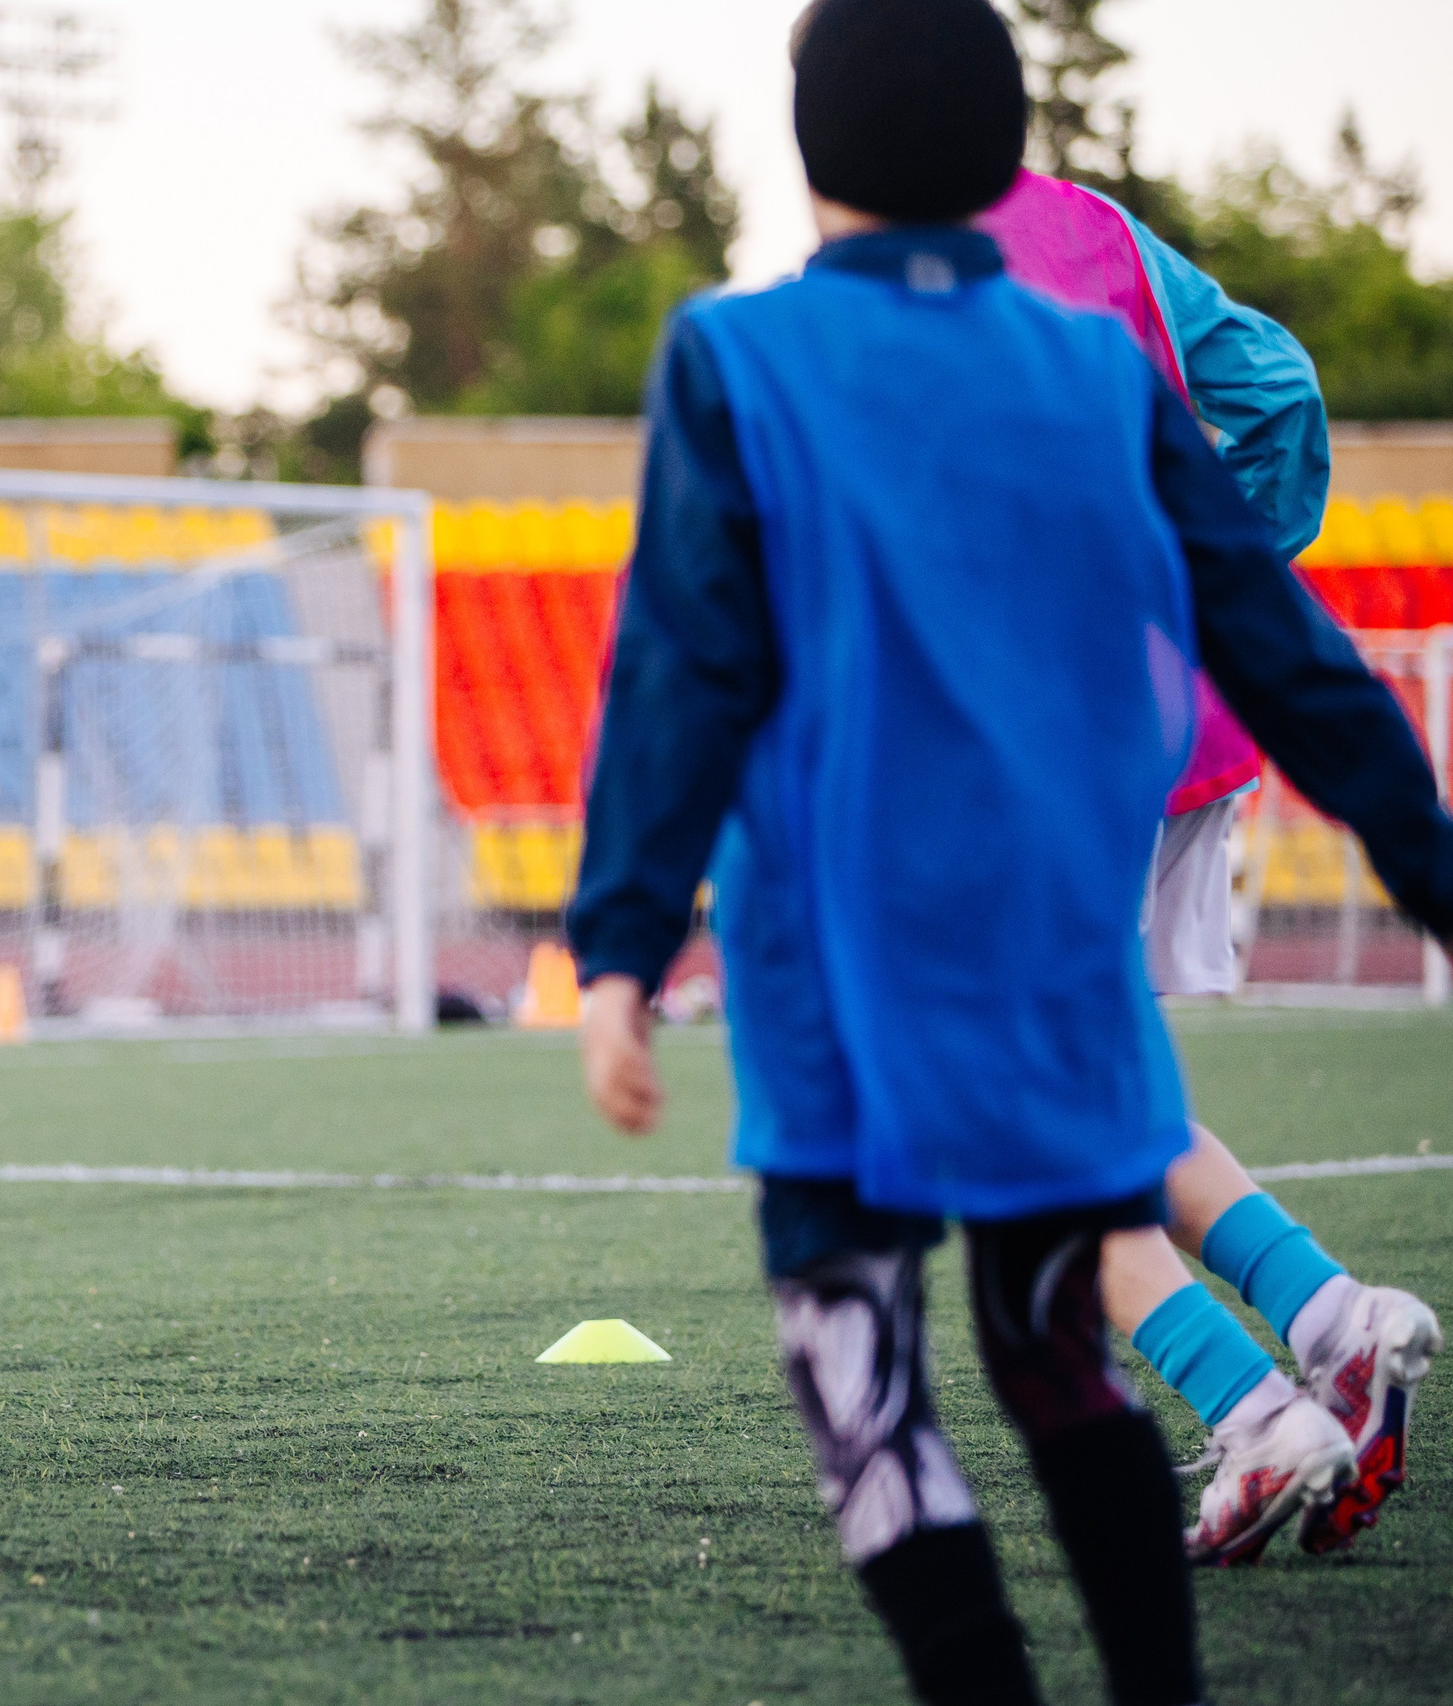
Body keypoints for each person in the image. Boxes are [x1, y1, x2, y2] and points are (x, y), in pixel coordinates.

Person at [564, 3, 1453, 1702]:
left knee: (871, 1398)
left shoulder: (733, 359)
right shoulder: (1097, 369)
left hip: (831, 987)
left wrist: (615, 946)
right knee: (1057, 1365)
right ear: (1004, 156)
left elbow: (681, 668)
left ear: (809, 156)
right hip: (1054, 956)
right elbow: (1294, 657)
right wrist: (1433, 870)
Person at [979, 171, 1440, 1562]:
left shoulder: (899, 285)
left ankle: (1254, 1412)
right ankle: (1331, 1322)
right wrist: (1205, 585)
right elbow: (1283, 393)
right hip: (1184, 710)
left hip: (1045, 745)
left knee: (1025, 1125)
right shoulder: (1096, 228)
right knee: (1097, 1080)